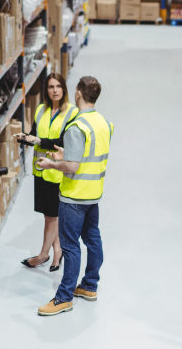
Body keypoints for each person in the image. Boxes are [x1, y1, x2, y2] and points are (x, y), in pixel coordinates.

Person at [34, 76, 112, 317]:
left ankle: (64, 297)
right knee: (93, 239)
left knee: (70, 246)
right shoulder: (103, 122)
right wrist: (66, 154)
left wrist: (49, 163)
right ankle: (90, 285)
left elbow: (73, 168)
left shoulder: (76, 126)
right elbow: (88, 155)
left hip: (74, 196)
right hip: (93, 193)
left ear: (78, 93)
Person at [15, 73, 78, 272]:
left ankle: (43, 255)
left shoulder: (72, 112)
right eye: (51, 87)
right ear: (46, 90)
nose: (55, 90)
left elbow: (64, 142)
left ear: (64, 89)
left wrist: (39, 142)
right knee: (50, 215)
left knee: (51, 217)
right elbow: (35, 134)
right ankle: (57, 250)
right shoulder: (41, 109)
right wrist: (24, 137)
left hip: (57, 171)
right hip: (40, 170)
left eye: (58, 86)